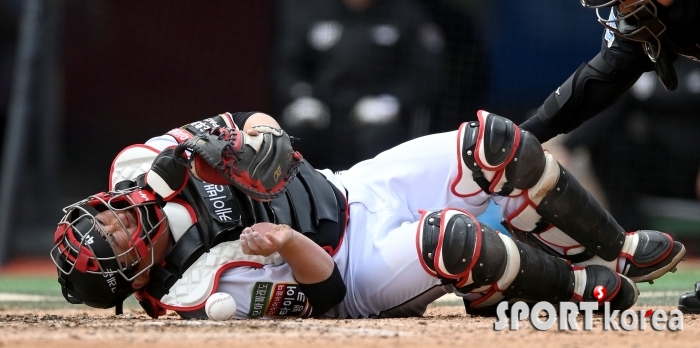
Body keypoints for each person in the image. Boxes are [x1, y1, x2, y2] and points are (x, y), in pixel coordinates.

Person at [51, 110, 685, 319]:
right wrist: (285, 243)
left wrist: (259, 146)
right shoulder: (196, 293)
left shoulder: (138, 162)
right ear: (130, 277)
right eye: (109, 243)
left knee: (499, 143)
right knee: (456, 241)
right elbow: (325, 293)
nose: (113, 224)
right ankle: (575, 288)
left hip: (350, 189)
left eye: (96, 221)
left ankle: (619, 246)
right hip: (354, 269)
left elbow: (256, 124)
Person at [514, 0, 700, 313]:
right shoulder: (646, 17)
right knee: (607, 141)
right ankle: (631, 238)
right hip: (669, 160)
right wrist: (517, 139)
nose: (622, 3)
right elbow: (597, 81)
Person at [270, 0, 444, 170]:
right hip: (324, 113)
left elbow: (425, 73)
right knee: (296, 134)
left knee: (381, 138)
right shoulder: (313, 11)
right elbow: (287, 67)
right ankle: (294, 196)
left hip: (376, 115)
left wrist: (392, 101)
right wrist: (301, 97)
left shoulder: (405, 13)